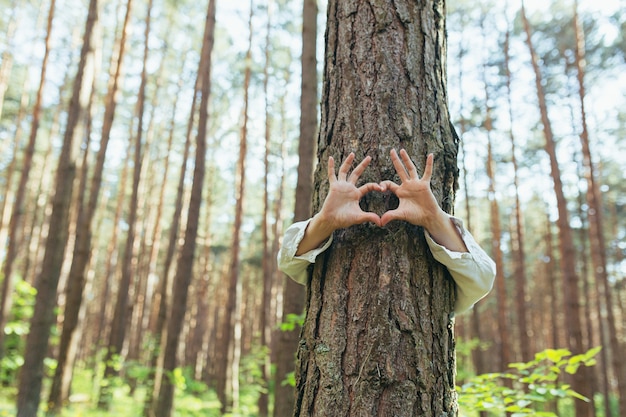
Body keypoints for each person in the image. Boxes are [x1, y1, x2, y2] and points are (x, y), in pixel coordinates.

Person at [277, 149, 496, 314]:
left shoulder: (457, 286)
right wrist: (324, 222)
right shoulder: (313, 266)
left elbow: (483, 277)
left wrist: (434, 218)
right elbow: (287, 260)